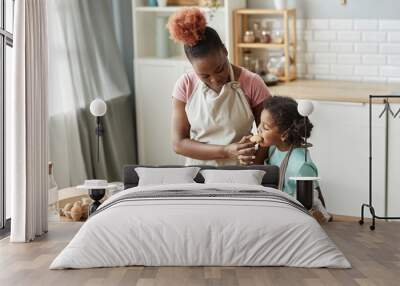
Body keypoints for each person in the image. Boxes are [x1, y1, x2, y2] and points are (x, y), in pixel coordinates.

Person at [168, 8, 272, 166]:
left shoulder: (252, 82)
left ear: (225, 51)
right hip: (198, 174)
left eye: (219, 69)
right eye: (204, 76)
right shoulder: (185, 85)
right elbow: (179, 144)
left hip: (241, 173)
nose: (215, 79)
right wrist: (226, 151)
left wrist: (253, 169)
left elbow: (269, 133)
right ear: (191, 66)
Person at [257, 96, 331, 222]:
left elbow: (316, 198)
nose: (258, 129)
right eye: (260, 123)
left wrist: (322, 216)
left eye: (265, 128)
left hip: (297, 215)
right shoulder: (273, 148)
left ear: (284, 135)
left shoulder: (301, 165)